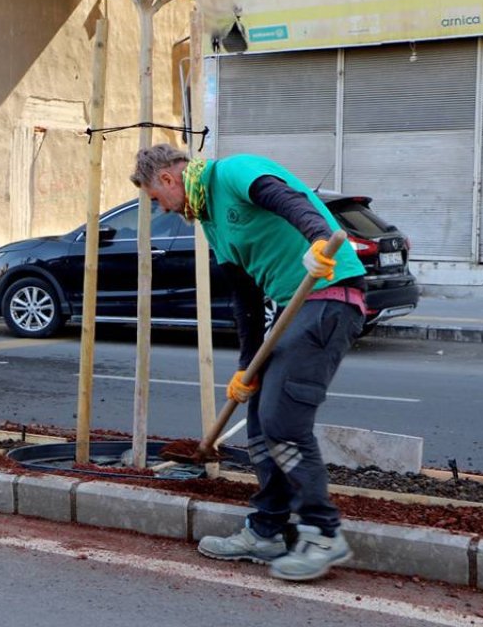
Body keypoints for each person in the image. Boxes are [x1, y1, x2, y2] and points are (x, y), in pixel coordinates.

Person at [131, 143, 367, 582]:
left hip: (330, 297)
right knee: (260, 421)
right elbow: (244, 296)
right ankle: (267, 530)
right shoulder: (209, 221)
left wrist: (319, 238)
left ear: (166, 178)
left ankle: (323, 534)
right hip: (292, 309)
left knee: (284, 424)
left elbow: (287, 199)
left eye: (153, 198)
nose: (159, 208)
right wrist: (248, 368)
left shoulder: (234, 173)